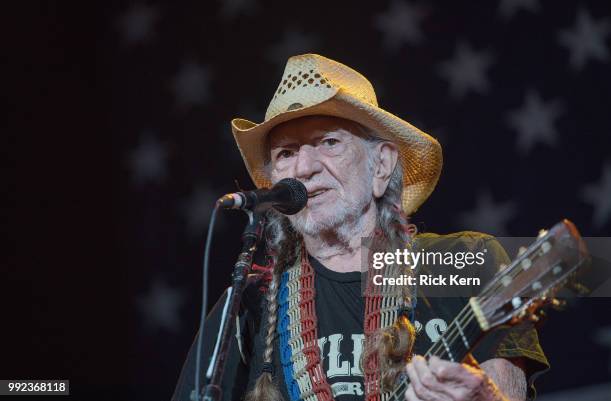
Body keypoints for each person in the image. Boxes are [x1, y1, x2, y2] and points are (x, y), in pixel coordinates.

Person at [172, 54, 549, 401]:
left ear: (381, 166)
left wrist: (485, 396)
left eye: (329, 142)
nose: (304, 168)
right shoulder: (247, 305)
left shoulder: (460, 261)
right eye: (286, 153)